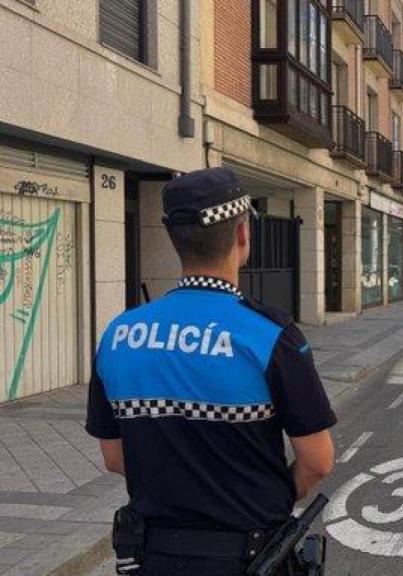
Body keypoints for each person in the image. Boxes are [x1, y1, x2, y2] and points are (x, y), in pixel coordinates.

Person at [85, 168, 337, 576]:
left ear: (175, 240)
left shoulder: (118, 335)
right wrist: (257, 500)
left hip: (152, 557)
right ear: (242, 235)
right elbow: (318, 460)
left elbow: (114, 457)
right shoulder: (270, 334)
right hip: (248, 554)